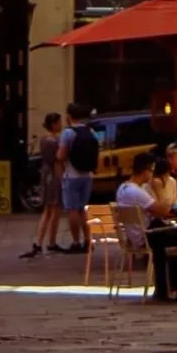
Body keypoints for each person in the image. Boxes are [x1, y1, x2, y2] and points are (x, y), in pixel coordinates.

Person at [116, 152, 177, 302]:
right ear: (146, 170)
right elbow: (163, 210)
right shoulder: (137, 192)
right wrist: (159, 189)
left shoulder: (122, 189)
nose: (152, 174)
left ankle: (167, 287)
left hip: (136, 236)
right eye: (152, 170)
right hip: (147, 236)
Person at [56, 102, 99, 255]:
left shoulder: (68, 133)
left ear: (69, 116)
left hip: (72, 175)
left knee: (72, 209)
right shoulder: (91, 131)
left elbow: (60, 155)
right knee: (84, 209)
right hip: (87, 175)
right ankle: (88, 241)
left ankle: (75, 242)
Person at [20, 112, 63, 259]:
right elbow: (58, 161)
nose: (61, 125)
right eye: (58, 122)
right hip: (53, 176)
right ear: (53, 124)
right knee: (52, 209)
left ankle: (47, 241)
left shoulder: (44, 139)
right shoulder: (53, 141)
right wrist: (61, 178)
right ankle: (43, 242)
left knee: (51, 209)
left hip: (47, 175)